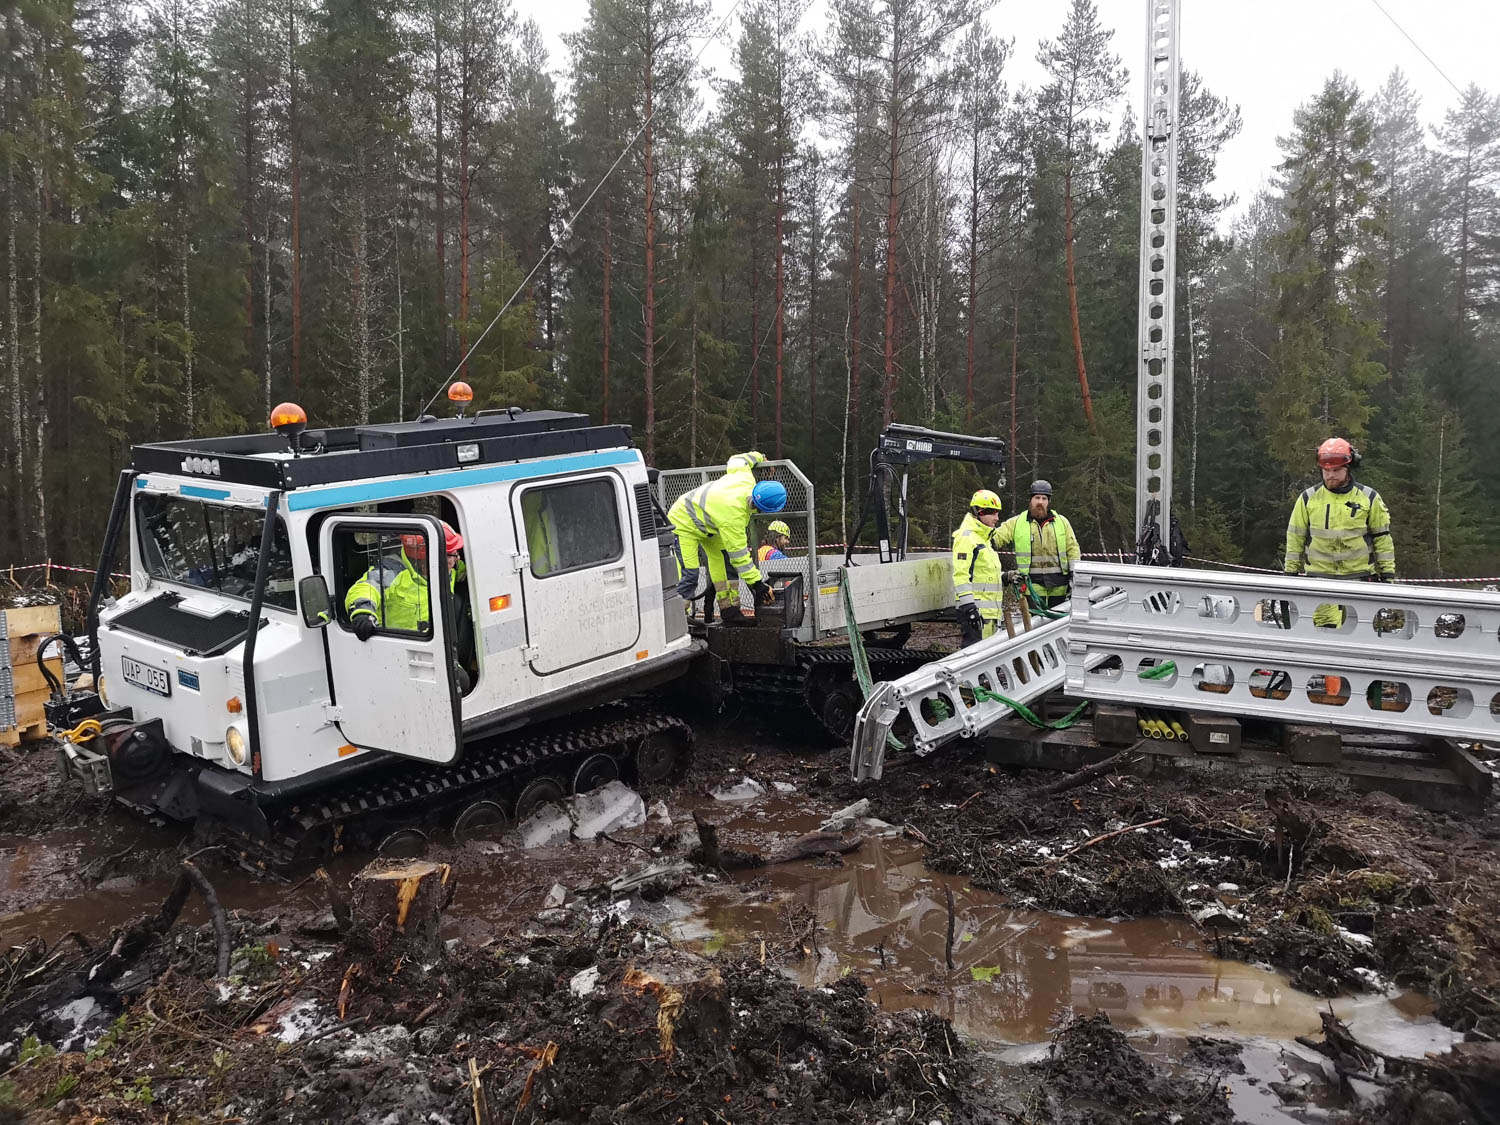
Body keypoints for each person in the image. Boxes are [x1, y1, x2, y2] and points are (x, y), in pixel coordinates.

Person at [1284, 437, 1395, 627]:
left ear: (1348, 468)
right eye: (1326, 471)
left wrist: (1387, 575)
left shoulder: (1369, 497)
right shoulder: (1308, 498)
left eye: (1336, 470)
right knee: (1324, 634)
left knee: (1358, 635)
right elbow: (1295, 538)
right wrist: (1290, 574)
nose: (1330, 475)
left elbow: (1382, 539)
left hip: (1359, 581)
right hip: (1320, 582)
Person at [668, 451, 787, 624]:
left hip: (711, 523)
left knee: (723, 565)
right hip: (683, 522)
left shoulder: (745, 478)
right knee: (690, 574)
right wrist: (758, 584)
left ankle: (730, 611)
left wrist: (760, 456)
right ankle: (676, 621)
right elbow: (740, 558)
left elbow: (737, 459)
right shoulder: (734, 516)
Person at [346, 520, 465, 638]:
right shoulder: (391, 571)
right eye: (452, 554)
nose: (458, 558)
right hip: (397, 643)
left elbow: (468, 571)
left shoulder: (450, 568)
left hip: (434, 640)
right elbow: (366, 588)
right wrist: (363, 613)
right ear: (431, 556)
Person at [992, 480, 1080, 610]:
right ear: (1030, 500)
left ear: (1049, 502)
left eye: (1044, 498)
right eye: (1037, 498)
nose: (1040, 502)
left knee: (1058, 621)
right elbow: (995, 539)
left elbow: (1073, 549)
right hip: (1031, 586)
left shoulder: (1062, 522)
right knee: (1036, 621)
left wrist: (1074, 574)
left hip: (1059, 587)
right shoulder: (1017, 523)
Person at [952, 489, 1005, 647]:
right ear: (980, 512)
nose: (997, 518)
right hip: (976, 614)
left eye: (998, 513)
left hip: (990, 614)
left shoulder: (985, 539)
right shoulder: (966, 538)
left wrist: (1005, 576)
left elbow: (984, 573)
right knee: (974, 657)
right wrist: (969, 609)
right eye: (993, 513)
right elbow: (961, 576)